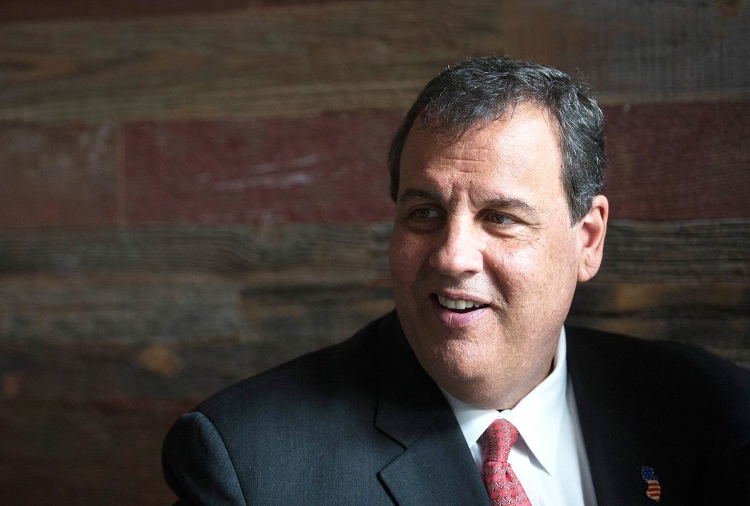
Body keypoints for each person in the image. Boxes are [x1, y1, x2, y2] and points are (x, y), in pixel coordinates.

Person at [161, 56, 750, 505]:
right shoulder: (249, 462)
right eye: (424, 214)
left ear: (587, 240)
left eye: (500, 218)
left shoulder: (714, 409)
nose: (452, 256)